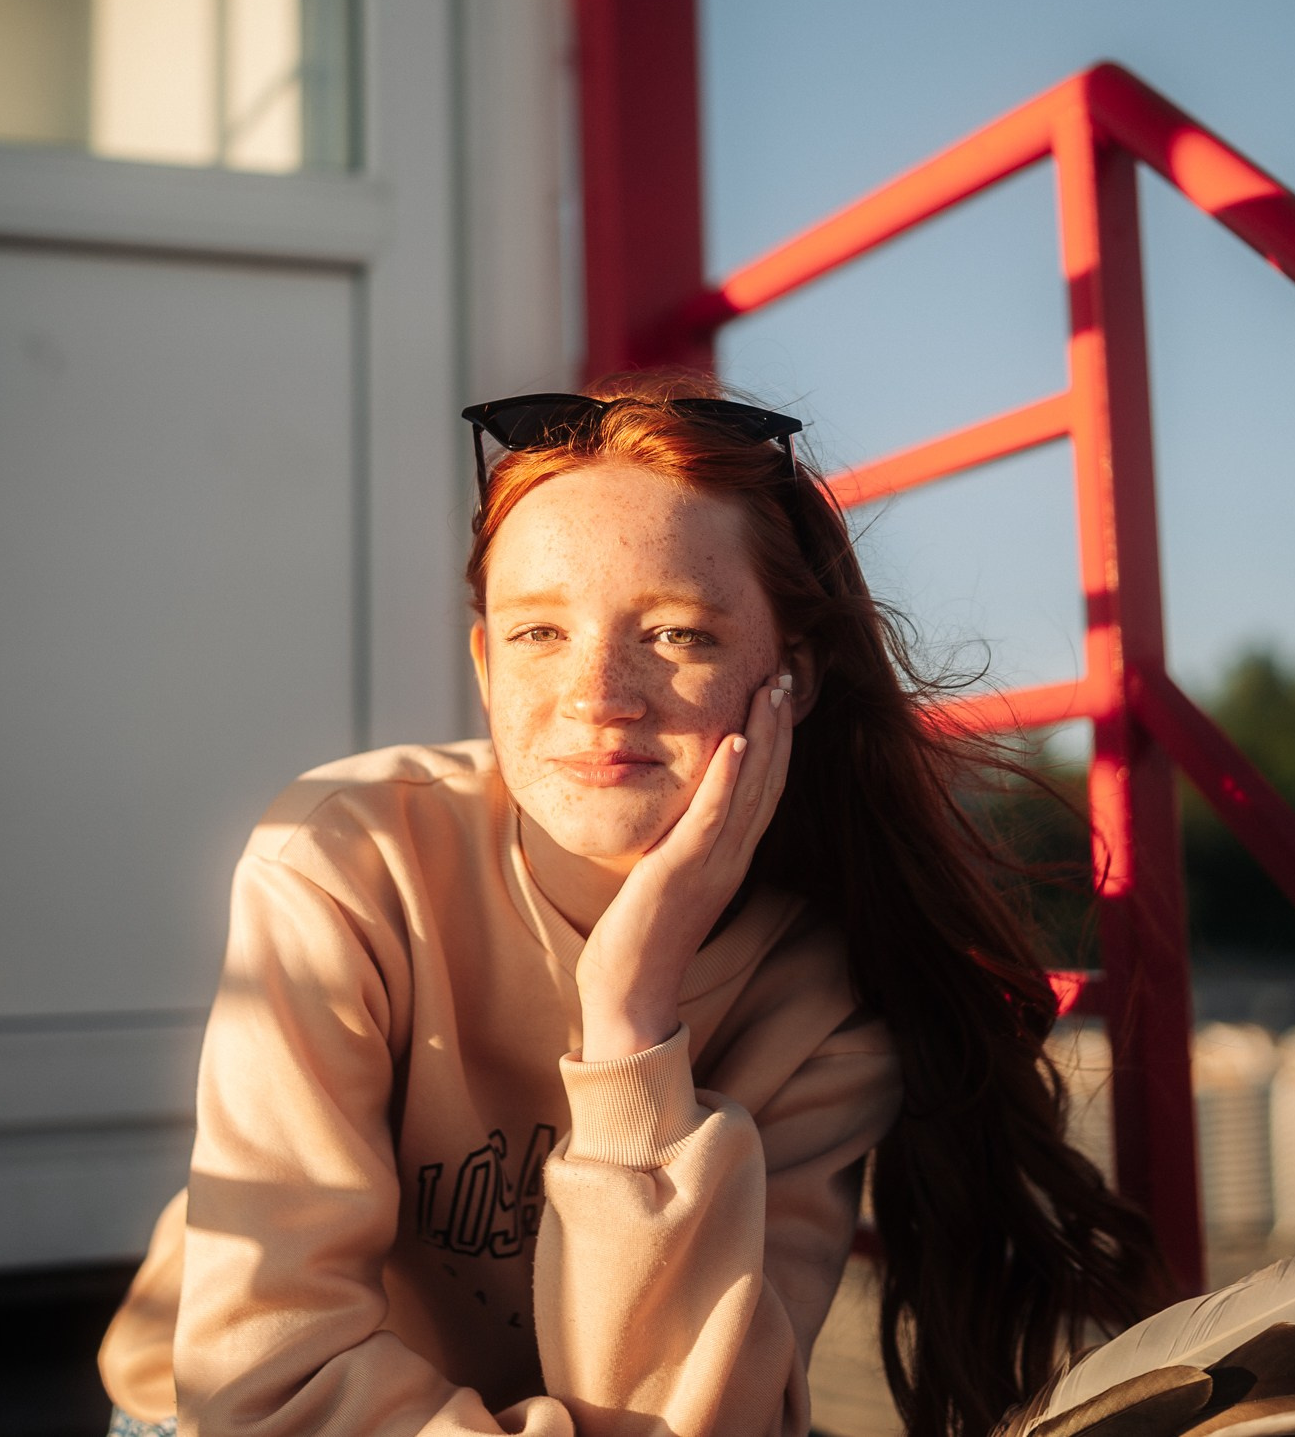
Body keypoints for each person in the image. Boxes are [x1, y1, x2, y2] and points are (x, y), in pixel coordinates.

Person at [98, 380, 1158, 1437]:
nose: (597, 694)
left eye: (677, 634)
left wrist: (629, 1019)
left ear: (790, 677)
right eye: (538, 632)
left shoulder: (827, 1007)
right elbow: (267, 1385)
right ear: (485, 665)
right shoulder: (344, 860)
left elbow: (706, 1423)